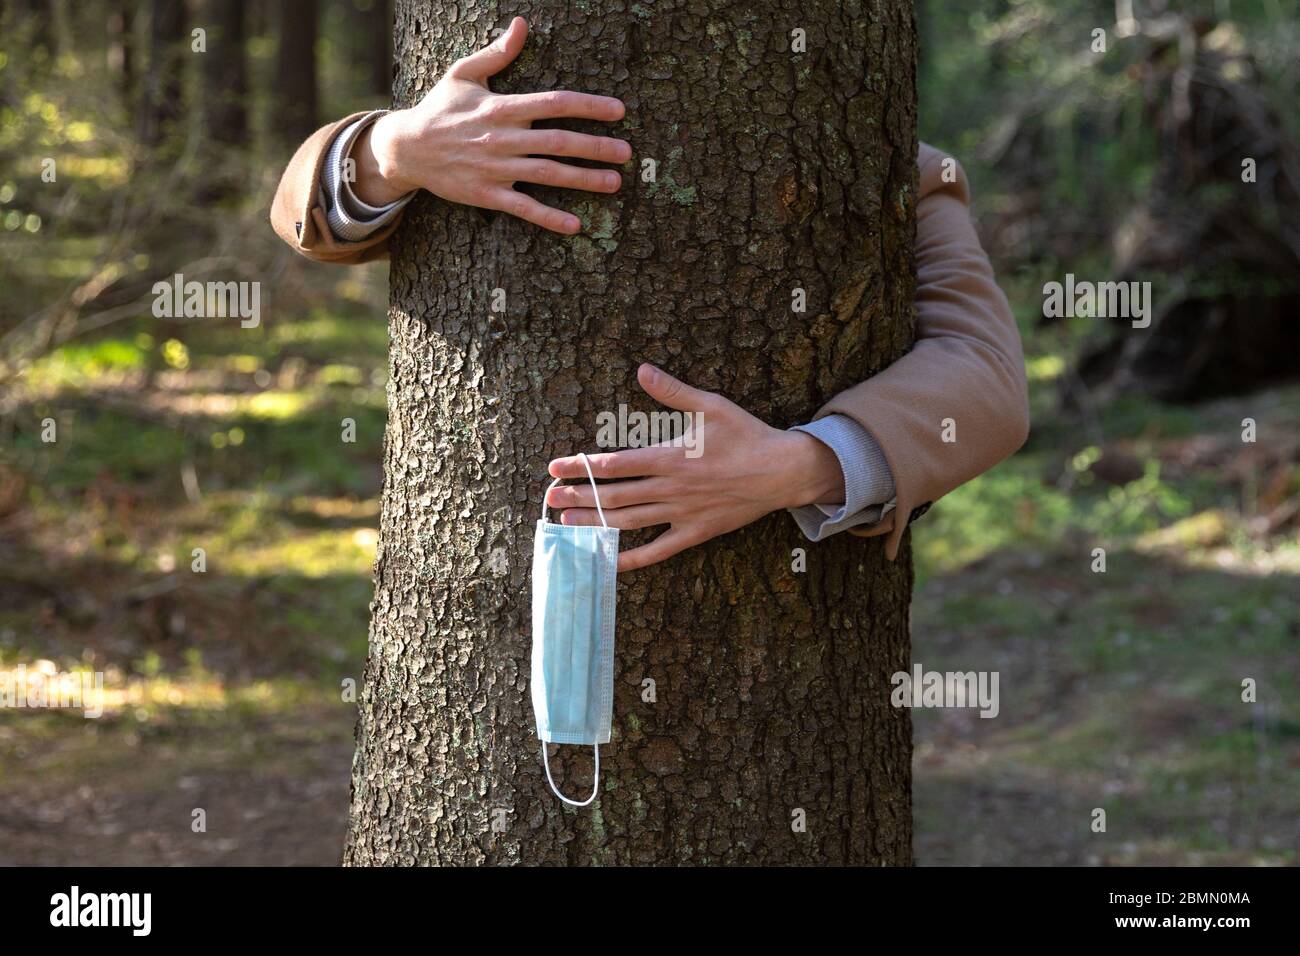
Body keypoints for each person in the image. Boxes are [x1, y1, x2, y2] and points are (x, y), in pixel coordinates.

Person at [270, 17, 1029, 573]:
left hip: (773, 632)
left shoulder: (894, 166)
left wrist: (800, 467)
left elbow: (987, 379)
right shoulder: (485, 92)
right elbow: (296, 208)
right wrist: (396, 151)